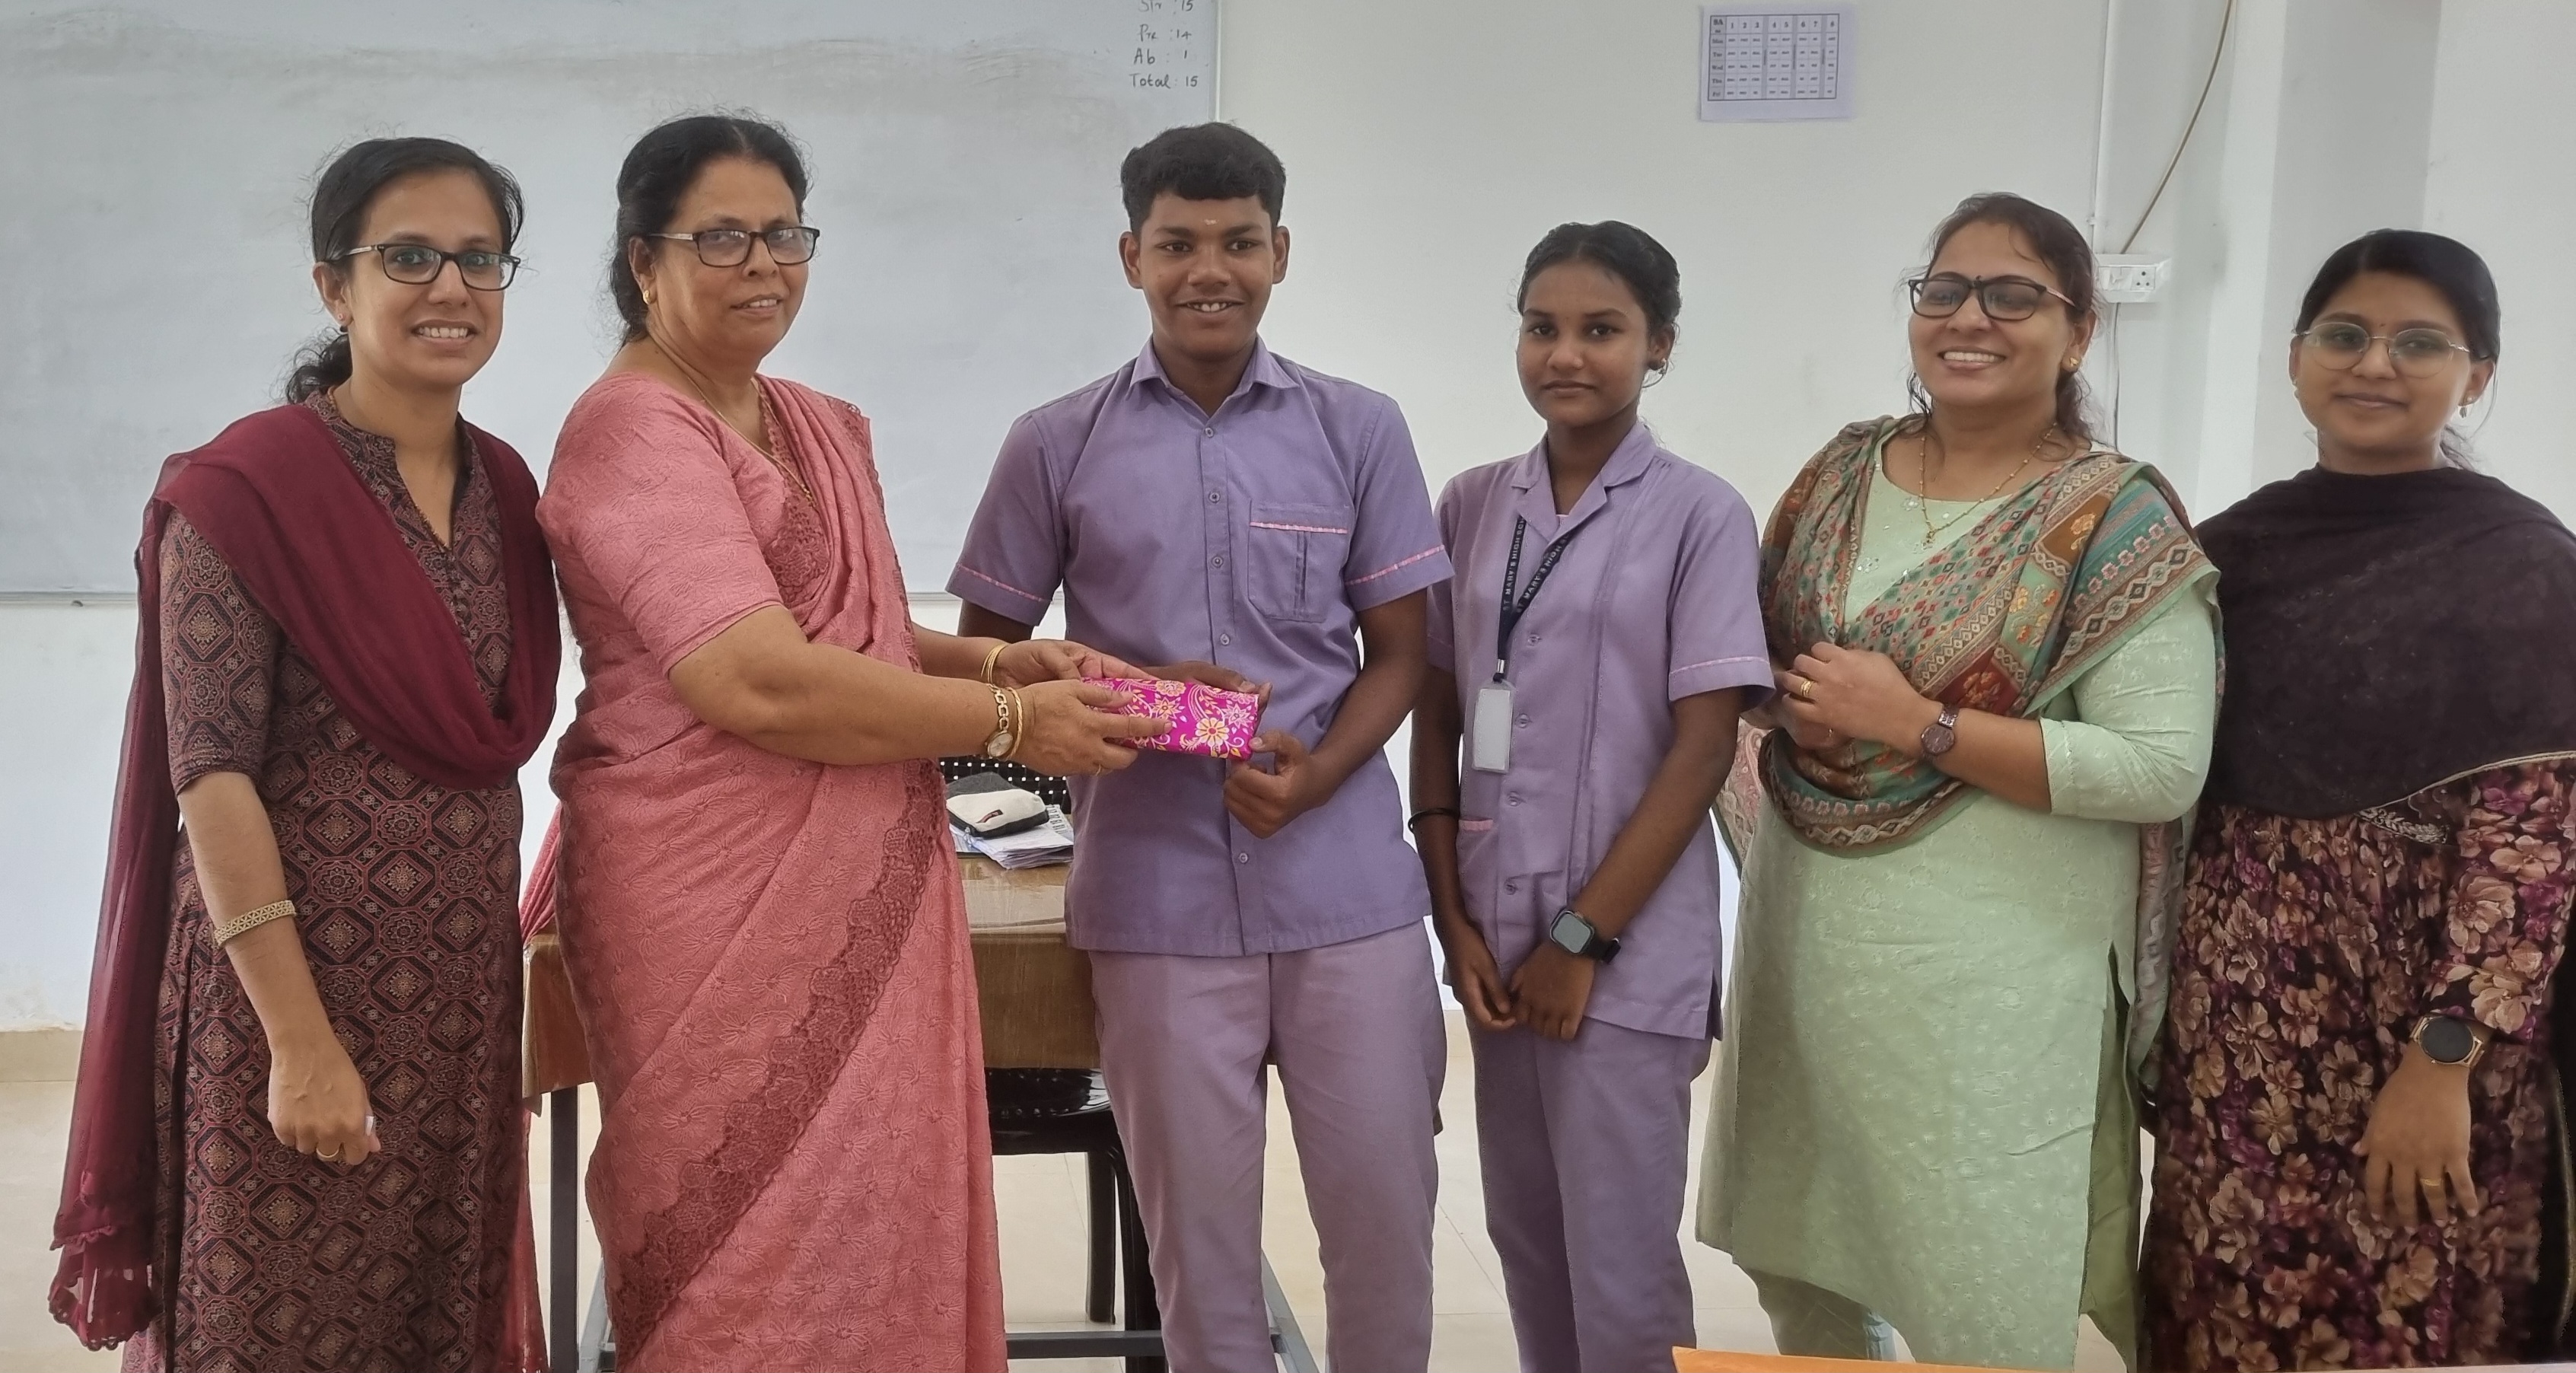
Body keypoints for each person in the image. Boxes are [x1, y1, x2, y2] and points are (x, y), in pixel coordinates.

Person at [533, 114, 1161, 1373]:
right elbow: (754, 677)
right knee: (740, 1238)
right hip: (709, 897)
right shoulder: (632, 430)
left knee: (880, 1210)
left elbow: (844, 633)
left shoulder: (812, 419)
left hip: (869, 874)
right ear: (643, 259)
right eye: (721, 238)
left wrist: (1002, 661)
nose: (763, 264)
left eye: (785, 234)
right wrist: (1010, 724)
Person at [949, 122, 1452, 1373]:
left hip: (1346, 898)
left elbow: (1402, 653)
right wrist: (1135, 691)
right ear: (1133, 257)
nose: (1208, 270)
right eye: (1177, 244)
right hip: (1155, 901)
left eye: (1237, 242)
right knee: (1199, 1253)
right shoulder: (1054, 442)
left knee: (1385, 1231)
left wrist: (1319, 777)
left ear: (1280, 251)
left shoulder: (1359, 428)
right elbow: (984, 662)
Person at [52, 138, 559, 1370]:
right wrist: (299, 1042)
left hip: (457, 1004)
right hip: (285, 998)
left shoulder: (505, 488)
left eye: (480, 258)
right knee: (273, 1328)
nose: (452, 287)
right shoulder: (243, 493)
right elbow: (211, 774)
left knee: (435, 1322)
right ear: (335, 286)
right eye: (410, 257)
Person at [1694, 192, 2219, 1369]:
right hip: (1809, 950)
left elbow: (2158, 766)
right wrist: (1786, 700)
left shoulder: (2111, 518)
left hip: (1997, 992)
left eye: (2012, 295)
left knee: (1977, 1299)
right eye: (1943, 290)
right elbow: (1760, 660)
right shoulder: (1840, 473)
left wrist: (1919, 725)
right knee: (1801, 1268)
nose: (1968, 317)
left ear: (2078, 334)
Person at [2142, 230, 2576, 1370]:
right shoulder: (2230, 552)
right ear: (2296, 358)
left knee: (2405, 1305)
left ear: (2475, 376)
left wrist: (2443, 1060)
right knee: (2223, 1297)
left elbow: (2530, 843)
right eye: (2344, 334)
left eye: (2419, 343)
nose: (2374, 363)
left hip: (2422, 1030)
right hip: (2237, 1029)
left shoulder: (2523, 562)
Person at [1410, 221, 1766, 1373]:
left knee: (1620, 1272)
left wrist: (1580, 939)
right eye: (1541, 327)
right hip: (1494, 937)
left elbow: (1703, 749)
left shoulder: (1701, 514)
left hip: (1621, 950)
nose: (1565, 354)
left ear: (1659, 345)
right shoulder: (1471, 504)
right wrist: (1452, 921)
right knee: (1527, 1243)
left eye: (1601, 330)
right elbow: (1438, 713)